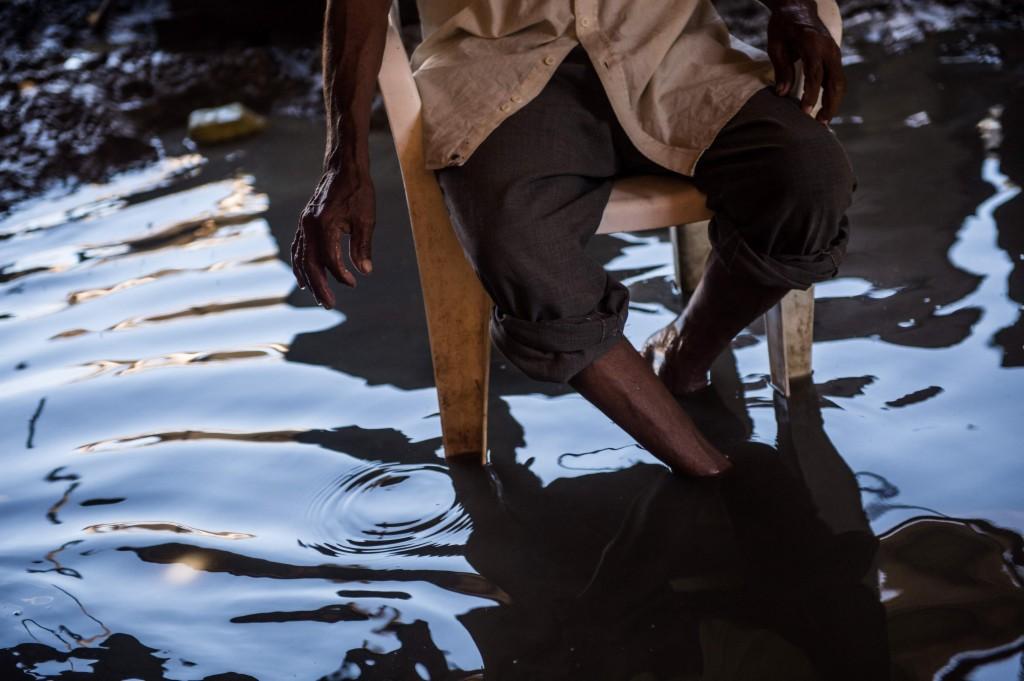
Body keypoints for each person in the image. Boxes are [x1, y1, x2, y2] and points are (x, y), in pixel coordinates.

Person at [290, 0, 856, 478]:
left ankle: (685, 355)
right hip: (501, 69)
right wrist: (344, 157)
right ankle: (708, 469)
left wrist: (794, 6)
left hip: (668, 52)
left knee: (809, 179)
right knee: (516, 246)